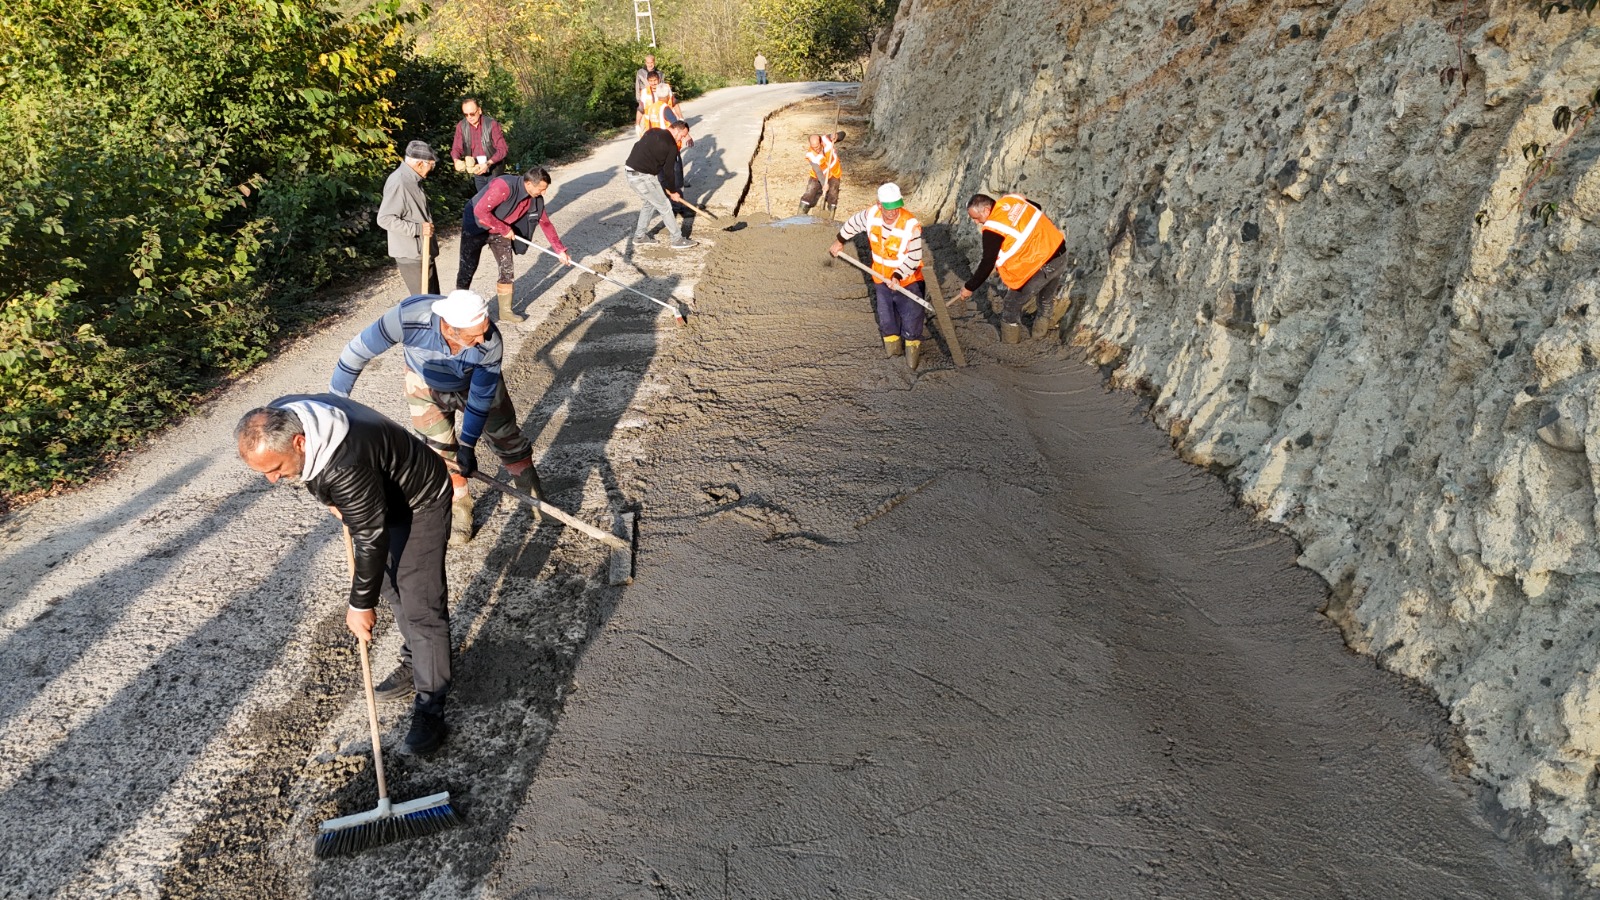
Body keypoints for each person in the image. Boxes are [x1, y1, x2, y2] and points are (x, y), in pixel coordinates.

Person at [235, 394, 454, 754]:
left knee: (421, 603)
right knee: (389, 584)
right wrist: (334, 500)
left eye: (274, 469)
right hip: (375, 492)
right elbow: (317, 478)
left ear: (300, 442)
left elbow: (370, 536)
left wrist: (358, 606)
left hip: (418, 501)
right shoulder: (285, 412)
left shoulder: (345, 464)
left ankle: (432, 706)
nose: (272, 480)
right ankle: (418, 658)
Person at [330, 288, 545, 545]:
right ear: (449, 327)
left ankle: (534, 498)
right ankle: (460, 509)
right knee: (440, 450)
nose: (482, 338)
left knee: (506, 437)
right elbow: (356, 352)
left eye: (484, 330)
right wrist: (335, 403)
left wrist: (468, 444)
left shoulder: (490, 341)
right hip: (424, 382)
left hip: (471, 383)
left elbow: (480, 399)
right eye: (474, 335)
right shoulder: (407, 318)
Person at [828, 183, 928, 369]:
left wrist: (898, 275)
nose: (893, 213)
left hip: (908, 282)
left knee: (912, 321)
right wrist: (839, 241)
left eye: (897, 208)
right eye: (888, 209)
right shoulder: (871, 215)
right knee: (887, 320)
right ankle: (893, 358)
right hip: (881, 279)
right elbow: (852, 224)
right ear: (879, 205)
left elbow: (914, 258)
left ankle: (912, 363)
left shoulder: (910, 225)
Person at [455, 167, 572, 324]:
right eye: (541, 189)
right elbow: (481, 211)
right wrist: (504, 228)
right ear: (529, 183)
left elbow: (546, 224)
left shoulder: (536, 199)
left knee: (507, 268)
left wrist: (560, 250)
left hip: (501, 228)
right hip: (476, 223)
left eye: (545, 189)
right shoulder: (504, 186)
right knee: (468, 266)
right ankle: (459, 307)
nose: (543, 193)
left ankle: (505, 311)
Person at [958, 192, 1068, 344]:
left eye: (976, 218)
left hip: (1042, 266)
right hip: (1060, 254)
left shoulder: (993, 228)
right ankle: (1040, 333)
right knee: (1046, 297)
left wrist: (969, 287)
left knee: (1011, 303)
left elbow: (987, 262)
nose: (976, 222)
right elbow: (1036, 207)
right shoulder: (1012, 200)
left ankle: (1010, 346)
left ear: (986, 210)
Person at [376, 140, 439, 296]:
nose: (431, 169)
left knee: (433, 300)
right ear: (419, 164)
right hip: (411, 254)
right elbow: (384, 218)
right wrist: (418, 229)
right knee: (424, 304)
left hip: (422, 250)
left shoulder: (413, 179)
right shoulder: (400, 182)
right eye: (431, 165)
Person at [625, 120, 697, 250]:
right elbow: (669, 172)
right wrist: (673, 191)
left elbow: (638, 147)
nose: (681, 138)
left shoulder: (653, 131)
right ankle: (677, 239)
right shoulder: (671, 146)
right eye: (682, 135)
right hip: (642, 176)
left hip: (631, 171)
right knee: (665, 206)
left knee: (650, 203)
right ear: (677, 130)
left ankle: (639, 237)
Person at [450, 98, 509, 192]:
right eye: (466, 114)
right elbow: (456, 148)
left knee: (495, 200)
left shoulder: (492, 124)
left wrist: (488, 163)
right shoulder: (461, 126)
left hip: (495, 171)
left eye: (472, 113)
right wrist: (456, 160)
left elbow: (503, 149)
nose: (469, 117)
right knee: (482, 201)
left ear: (479, 110)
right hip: (477, 171)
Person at [800, 131, 846, 218]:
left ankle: (830, 216)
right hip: (817, 175)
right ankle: (800, 215)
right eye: (813, 147)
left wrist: (837, 136)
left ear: (820, 142)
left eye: (817, 146)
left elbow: (843, 134)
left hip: (834, 173)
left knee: (833, 194)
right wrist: (824, 183)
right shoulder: (810, 155)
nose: (816, 149)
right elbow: (818, 171)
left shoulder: (827, 140)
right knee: (809, 193)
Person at [634, 54, 661, 130]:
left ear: (654, 62)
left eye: (651, 62)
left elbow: (662, 86)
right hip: (645, 98)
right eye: (648, 63)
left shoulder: (659, 73)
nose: (650, 64)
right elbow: (637, 86)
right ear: (645, 63)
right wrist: (639, 99)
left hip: (656, 98)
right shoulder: (640, 72)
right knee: (644, 118)